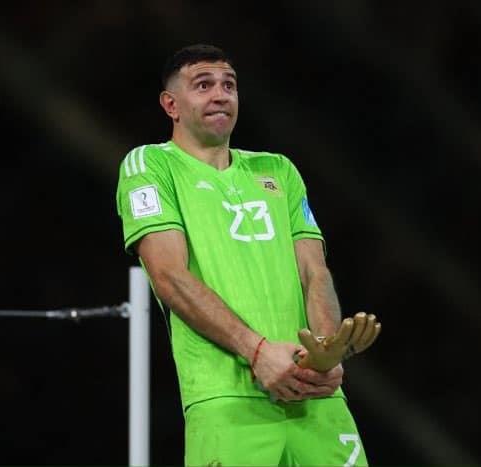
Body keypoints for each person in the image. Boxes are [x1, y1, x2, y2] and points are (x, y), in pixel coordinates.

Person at [116, 44, 369, 466]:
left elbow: (315, 271)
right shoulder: (149, 165)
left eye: (228, 85)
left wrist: (325, 353)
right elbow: (169, 275)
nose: (220, 95)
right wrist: (257, 351)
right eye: (203, 85)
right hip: (227, 401)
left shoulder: (278, 170)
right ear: (171, 104)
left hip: (316, 397)